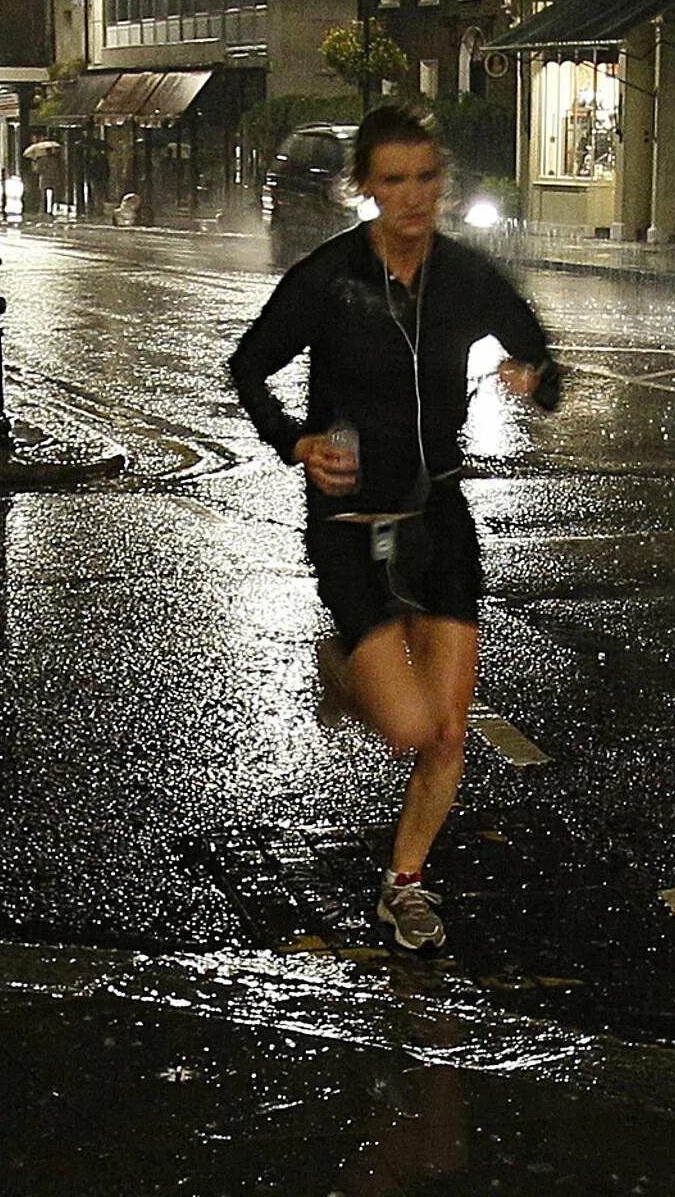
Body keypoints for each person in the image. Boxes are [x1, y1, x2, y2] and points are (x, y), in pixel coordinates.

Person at [227, 104, 562, 953]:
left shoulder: (465, 277)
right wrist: (295, 441)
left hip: (438, 514)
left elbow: (546, 359)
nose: (413, 198)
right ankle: (346, 673)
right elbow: (249, 367)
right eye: (393, 181)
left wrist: (533, 376)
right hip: (350, 522)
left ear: (441, 181)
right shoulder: (328, 279)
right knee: (409, 726)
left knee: (448, 731)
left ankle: (404, 884)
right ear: (365, 189)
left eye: (426, 178)